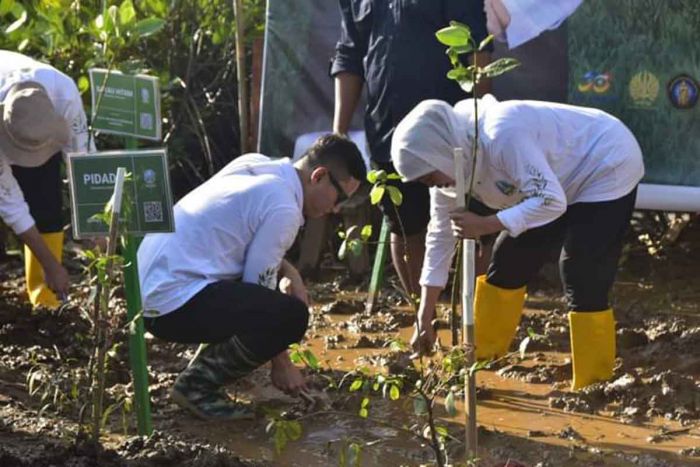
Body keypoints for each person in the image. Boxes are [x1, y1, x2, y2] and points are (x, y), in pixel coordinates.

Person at [391, 95, 644, 390]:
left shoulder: (501, 135)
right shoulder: (451, 166)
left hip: (603, 162)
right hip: (553, 183)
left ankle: (594, 383)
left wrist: (485, 224)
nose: (431, 185)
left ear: (439, 152)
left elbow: (550, 201)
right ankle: (479, 359)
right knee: (508, 260)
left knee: (580, 269)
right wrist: (424, 316)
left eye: (428, 177)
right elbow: (440, 235)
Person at [137, 134, 366, 420]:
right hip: (171, 305)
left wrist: (290, 270)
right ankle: (197, 386)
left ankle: (206, 365)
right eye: (340, 198)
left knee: (267, 303)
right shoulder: (285, 208)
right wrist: (281, 363)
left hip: (146, 291)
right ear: (319, 176)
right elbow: (257, 287)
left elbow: (242, 241)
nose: (335, 209)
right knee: (290, 316)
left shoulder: (257, 165)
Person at [331, 0, 491, 299]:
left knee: (475, 221)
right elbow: (350, 54)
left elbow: (476, 46)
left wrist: (481, 120)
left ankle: (476, 317)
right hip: (386, 126)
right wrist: (339, 133)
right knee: (405, 224)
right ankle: (426, 318)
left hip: (450, 128)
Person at [0, 50, 94, 308]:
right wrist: (52, 265)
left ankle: (45, 300)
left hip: (32, 117)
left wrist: (94, 223)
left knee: (46, 201)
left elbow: (82, 159)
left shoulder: (64, 92)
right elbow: (11, 205)